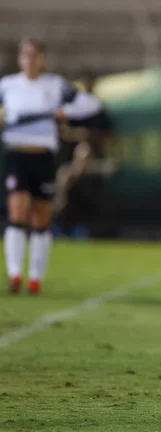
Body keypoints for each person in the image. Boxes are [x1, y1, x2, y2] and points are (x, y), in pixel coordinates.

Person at [1, 38, 102, 294]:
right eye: (25, 55)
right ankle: (14, 274)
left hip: (44, 157)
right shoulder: (8, 85)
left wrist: (64, 112)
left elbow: (91, 105)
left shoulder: (54, 85)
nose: (29, 60)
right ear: (20, 59)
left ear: (41, 59)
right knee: (17, 213)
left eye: (34, 55)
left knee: (41, 219)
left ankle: (35, 277)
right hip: (17, 155)